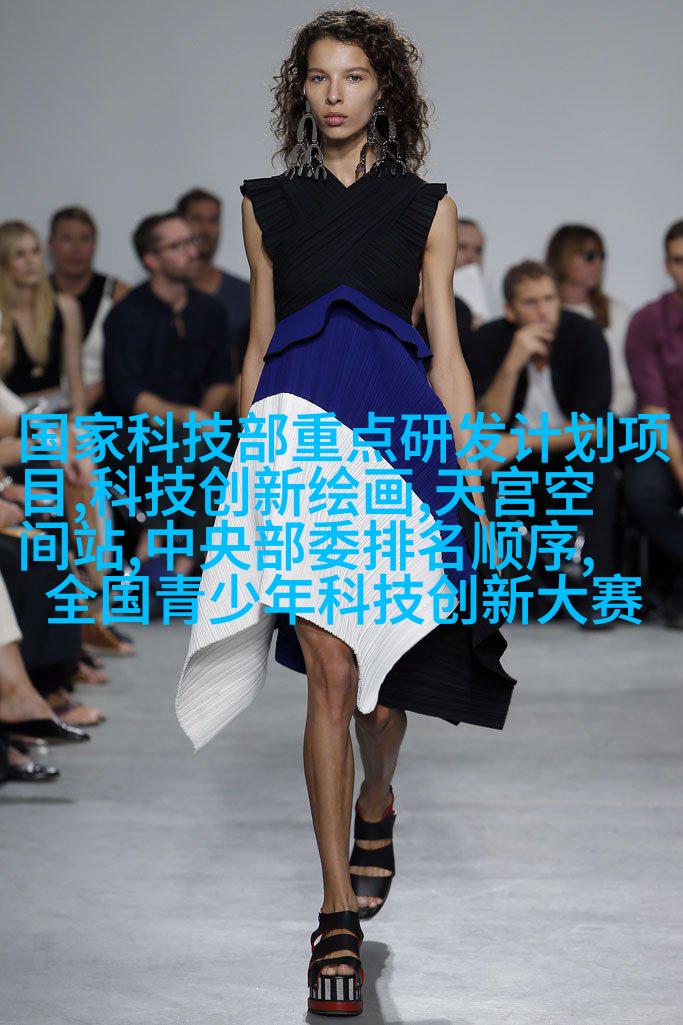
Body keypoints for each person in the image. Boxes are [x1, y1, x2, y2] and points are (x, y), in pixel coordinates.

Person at [174, 10, 517, 1017]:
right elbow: (259, 347)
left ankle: (377, 795)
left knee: (378, 692)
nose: (334, 93)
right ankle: (333, 913)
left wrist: (465, 468)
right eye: (319, 77)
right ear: (301, 92)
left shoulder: (426, 206)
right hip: (297, 444)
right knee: (327, 668)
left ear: (383, 91)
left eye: (353, 76)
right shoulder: (265, 205)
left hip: (396, 444)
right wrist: (248, 471)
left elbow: (444, 351)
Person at [468, 260, 616, 626]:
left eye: (550, 299)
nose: (544, 311)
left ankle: (597, 597)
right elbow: (485, 424)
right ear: (510, 310)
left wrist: (520, 442)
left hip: (566, 451)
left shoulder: (584, 335)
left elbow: (593, 428)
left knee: (598, 460)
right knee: (475, 469)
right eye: (531, 302)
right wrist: (511, 364)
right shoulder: (490, 340)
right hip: (512, 459)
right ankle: (503, 593)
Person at [102, 212, 236, 576]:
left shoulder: (210, 311)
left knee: (208, 449)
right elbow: (130, 396)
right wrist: (190, 419)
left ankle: (161, 551)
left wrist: (201, 417)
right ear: (151, 259)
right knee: (197, 446)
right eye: (177, 245)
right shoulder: (126, 316)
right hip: (136, 436)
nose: (192, 251)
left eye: (192, 241)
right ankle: (176, 562)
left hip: (198, 432)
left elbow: (222, 381)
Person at [624, 219, 683, 628]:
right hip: (665, 442)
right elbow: (654, 411)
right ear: (667, 265)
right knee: (644, 489)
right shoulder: (647, 321)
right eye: (679, 260)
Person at [175, 187, 251, 454]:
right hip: (163, 425)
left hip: (227, 426)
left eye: (213, 220)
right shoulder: (162, 295)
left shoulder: (245, 294)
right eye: (196, 219)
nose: (205, 229)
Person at [546, 224, 635, 418]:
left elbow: (626, 382)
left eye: (601, 256)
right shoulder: (541, 314)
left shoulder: (617, 314)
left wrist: (603, 420)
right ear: (563, 258)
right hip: (548, 424)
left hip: (607, 422)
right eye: (589, 256)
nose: (598, 263)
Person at [48, 206, 130, 411]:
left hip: (106, 406)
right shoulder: (33, 296)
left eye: (84, 239)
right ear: (50, 244)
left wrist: (88, 397)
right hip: (44, 409)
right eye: (66, 238)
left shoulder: (119, 295)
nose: (76, 248)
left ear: (95, 244)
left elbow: (131, 364)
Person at [0, 221, 85, 414]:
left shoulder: (65, 307)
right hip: (14, 414)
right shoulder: (1, 316)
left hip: (60, 409)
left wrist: (79, 421)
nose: (31, 261)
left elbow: (76, 380)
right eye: (19, 254)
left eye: (35, 251)